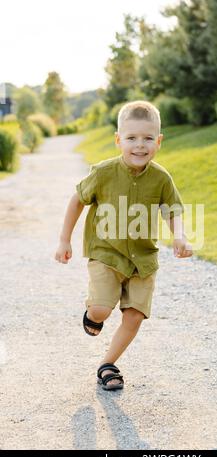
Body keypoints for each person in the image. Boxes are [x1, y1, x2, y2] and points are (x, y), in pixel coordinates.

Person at [54, 100, 193, 391]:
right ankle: (94, 314)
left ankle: (108, 365)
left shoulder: (161, 178)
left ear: (159, 141)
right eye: (131, 138)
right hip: (106, 255)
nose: (140, 146)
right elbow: (77, 199)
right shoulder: (104, 172)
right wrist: (64, 239)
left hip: (142, 260)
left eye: (147, 138)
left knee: (134, 315)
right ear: (118, 140)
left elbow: (172, 209)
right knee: (102, 310)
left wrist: (179, 235)